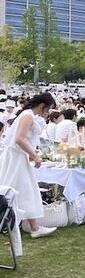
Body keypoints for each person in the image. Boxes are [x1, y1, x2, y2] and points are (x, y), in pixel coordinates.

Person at [0, 93, 57, 238]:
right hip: (15, 158)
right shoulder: (28, 115)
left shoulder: (28, 115)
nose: (49, 111)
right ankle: (34, 227)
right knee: (17, 189)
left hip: (17, 157)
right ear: (43, 105)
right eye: (49, 108)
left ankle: (34, 226)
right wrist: (35, 155)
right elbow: (19, 139)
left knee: (24, 189)